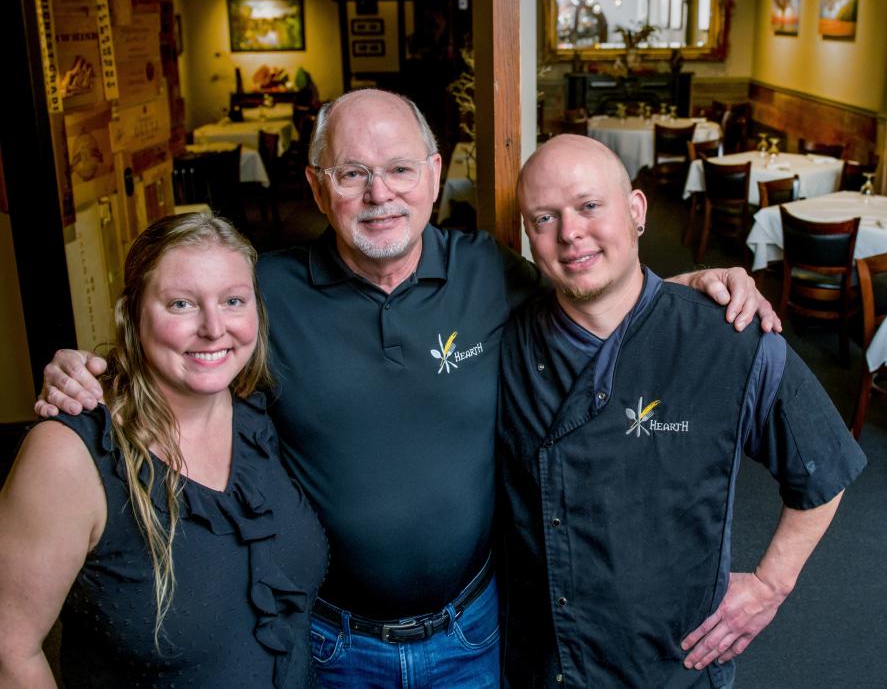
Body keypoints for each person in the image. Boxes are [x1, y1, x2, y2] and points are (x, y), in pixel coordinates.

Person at [35, 90, 779, 687]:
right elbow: (188, 339)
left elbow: (593, 292)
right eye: (352, 173)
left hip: (474, 630)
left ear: (433, 173)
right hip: (331, 644)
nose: (378, 192)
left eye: (398, 168)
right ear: (317, 189)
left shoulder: (490, 272)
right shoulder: (266, 294)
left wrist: (690, 288)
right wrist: (91, 369)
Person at [496, 135, 867, 687]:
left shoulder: (733, 338)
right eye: (544, 217)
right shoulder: (502, 340)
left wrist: (770, 585)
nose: (570, 233)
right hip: (539, 660)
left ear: (637, 211)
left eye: (590, 205)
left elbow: (825, 468)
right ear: (528, 237)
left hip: (672, 663)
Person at [0, 212, 327, 687]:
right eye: (180, 304)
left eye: (233, 300)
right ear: (131, 312)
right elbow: (10, 652)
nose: (214, 328)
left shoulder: (260, 414)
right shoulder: (69, 455)